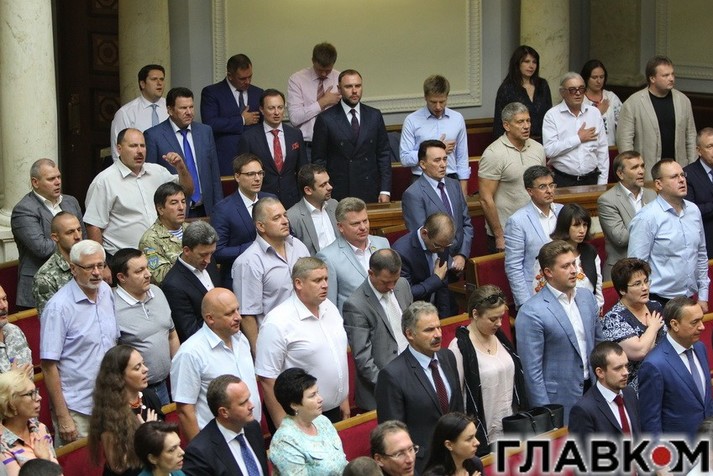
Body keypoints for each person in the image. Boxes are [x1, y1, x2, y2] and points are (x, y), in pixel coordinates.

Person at [515, 240, 604, 424]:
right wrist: (546, 414)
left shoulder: (587, 297)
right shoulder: (531, 312)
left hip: (594, 389)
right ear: (548, 272)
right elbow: (532, 372)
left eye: (574, 264)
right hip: (559, 400)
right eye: (565, 266)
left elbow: (599, 344)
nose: (573, 270)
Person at [40, 240, 119, 445]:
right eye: (89, 267)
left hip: (111, 402)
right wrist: (63, 416)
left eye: (100, 265)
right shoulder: (58, 308)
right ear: (73, 269)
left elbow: (114, 344)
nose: (97, 272)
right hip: (78, 409)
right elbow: (48, 366)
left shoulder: (106, 292)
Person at [255, 257, 349, 427]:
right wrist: (285, 426)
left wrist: (343, 399)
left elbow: (337, 356)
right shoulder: (277, 322)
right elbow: (268, 379)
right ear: (298, 283)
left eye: (326, 279)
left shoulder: (330, 307)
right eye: (317, 280)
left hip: (334, 409)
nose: (325, 285)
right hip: (300, 418)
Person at [375, 301, 463, 474]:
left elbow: (458, 409)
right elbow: (392, 434)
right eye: (429, 330)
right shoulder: (392, 375)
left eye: (438, 327)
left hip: (455, 458)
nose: (438, 335)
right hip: (422, 465)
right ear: (409, 334)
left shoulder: (448, 357)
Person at [84, 128, 193, 257]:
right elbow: (94, 226)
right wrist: (100, 262)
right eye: (133, 146)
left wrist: (180, 167)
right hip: (124, 259)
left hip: (162, 255)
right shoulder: (104, 181)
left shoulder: (158, 172)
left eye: (142, 146)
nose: (140, 151)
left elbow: (187, 190)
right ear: (119, 149)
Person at [171, 288, 260, 442]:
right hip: (218, 443)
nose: (238, 317)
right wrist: (202, 452)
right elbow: (185, 410)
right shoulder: (190, 353)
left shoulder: (241, 339)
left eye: (237, 309)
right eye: (229, 313)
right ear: (210, 318)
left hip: (252, 432)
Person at [448, 285, 527, 452]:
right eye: (493, 319)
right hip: (482, 435)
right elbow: (457, 397)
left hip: (512, 427)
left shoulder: (500, 337)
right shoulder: (459, 347)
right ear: (475, 314)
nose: (499, 323)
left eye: (501, 317)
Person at [232, 197, 310, 354]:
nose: (285, 221)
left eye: (285, 215)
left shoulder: (299, 246)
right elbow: (248, 315)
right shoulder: (248, 262)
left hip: (307, 333)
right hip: (276, 343)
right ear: (260, 226)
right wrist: (259, 353)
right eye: (276, 218)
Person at [628, 159, 709, 310]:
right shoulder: (646, 217)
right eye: (674, 177)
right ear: (658, 184)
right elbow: (636, 267)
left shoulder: (693, 210)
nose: (682, 180)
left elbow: (701, 255)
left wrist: (703, 296)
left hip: (689, 298)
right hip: (657, 301)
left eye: (682, 175)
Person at [343, 249, 413, 411]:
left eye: (395, 280)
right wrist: (391, 386)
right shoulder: (356, 305)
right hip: (380, 391)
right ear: (371, 273)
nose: (391, 287)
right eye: (385, 282)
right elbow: (363, 359)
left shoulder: (402, 285)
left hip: (411, 378)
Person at [10, 158, 84, 309]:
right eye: (51, 179)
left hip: (76, 282)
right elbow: (42, 248)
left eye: (59, 177)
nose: (58, 182)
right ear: (35, 182)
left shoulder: (71, 202)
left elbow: (84, 238)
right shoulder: (24, 210)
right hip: (39, 288)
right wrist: (71, 241)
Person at [111, 248, 180, 405]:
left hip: (167, 384)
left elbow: (172, 334)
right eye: (139, 271)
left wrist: (178, 372)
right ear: (121, 277)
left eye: (147, 267)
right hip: (136, 393)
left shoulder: (157, 292)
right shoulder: (110, 306)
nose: (148, 274)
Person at [312, 69, 392, 203]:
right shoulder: (326, 119)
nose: (354, 91)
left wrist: (385, 190)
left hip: (370, 188)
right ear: (339, 89)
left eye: (358, 86)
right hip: (338, 191)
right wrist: (324, 191)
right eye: (348, 87)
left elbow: (383, 154)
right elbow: (319, 161)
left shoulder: (374, 115)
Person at [638, 297, 713, 438]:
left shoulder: (700, 348)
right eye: (695, 322)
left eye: (702, 320)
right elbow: (650, 422)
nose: (702, 327)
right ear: (675, 324)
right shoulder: (654, 365)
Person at [144, 87, 222, 218]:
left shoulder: (205, 131)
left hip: (206, 209)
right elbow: (151, 179)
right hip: (173, 212)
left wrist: (219, 208)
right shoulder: (153, 136)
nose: (189, 112)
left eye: (191, 107)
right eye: (183, 108)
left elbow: (214, 174)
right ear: (170, 110)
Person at [479, 102, 546, 253]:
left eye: (528, 120)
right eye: (520, 122)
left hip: (536, 229)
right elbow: (485, 199)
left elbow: (543, 186)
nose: (526, 126)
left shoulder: (538, 149)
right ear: (507, 125)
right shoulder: (493, 154)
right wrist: (499, 235)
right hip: (507, 233)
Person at [617, 55, 697, 178]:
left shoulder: (683, 100)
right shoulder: (633, 103)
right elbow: (625, 142)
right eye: (665, 75)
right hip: (647, 172)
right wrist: (633, 171)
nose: (671, 78)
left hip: (679, 171)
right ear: (652, 78)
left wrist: (692, 168)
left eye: (672, 74)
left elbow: (691, 137)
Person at [88, 345, 164, 476]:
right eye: (137, 368)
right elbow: (117, 466)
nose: (145, 369)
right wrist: (145, 437)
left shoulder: (149, 397)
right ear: (119, 377)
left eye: (143, 364)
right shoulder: (109, 414)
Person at [402, 140, 473, 277]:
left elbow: (466, 223)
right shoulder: (413, 194)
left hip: (461, 260)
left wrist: (462, 255)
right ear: (423, 164)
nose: (443, 164)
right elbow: (423, 236)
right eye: (437, 160)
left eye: (445, 159)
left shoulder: (454, 185)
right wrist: (451, 262)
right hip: (435, 267)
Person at [182, 375, 268, 476]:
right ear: (224, 412)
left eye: (248, 398)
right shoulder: (200, 452)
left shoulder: (253, 428)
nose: (251, 405)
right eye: (243, 403)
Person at [212, 153, 275, 290]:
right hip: (241, 279)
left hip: (273, 275)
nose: (257, 178)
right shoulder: (223, 209)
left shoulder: (271, 200)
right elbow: (218, 252)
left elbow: (288, 232)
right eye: (251, 174)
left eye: (260, 173)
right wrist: (255, 247)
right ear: (237, 177)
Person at [601, 258, 665, 393]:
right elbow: (639, 351)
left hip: (663, 378)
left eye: (646, 281)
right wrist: (653, 327)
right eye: (637, 284)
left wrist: (647, 340)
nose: (645, 287)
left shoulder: (655, 306)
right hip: (636, 389)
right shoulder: (613, 318)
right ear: (622, 290)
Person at [268, 368, 348, 475]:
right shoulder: (285, 441)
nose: (320, 399)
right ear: (294, 405)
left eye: (317, 392)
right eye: (312, 395)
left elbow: (342, 462)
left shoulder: (322, 421)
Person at [236, 88, 307, 209]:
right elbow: (244, 173)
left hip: (292, 200)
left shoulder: (295, 134)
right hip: (262, 201)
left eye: (280, 107)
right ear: (261, 109)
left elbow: (302, 169)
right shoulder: (249, 137)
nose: (277, 112)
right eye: (271, 108)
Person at [316, 197, 390, 313]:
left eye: (365, 221)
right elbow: (329, 305)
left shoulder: (382, 243)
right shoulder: (328, 257)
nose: (363, 227)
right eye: (355, 224)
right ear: (340, 227)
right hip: (355, 321)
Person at [400, 75, 469, 196]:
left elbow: (462, 157)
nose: (438, 107)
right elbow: (405, 158)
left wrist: (463, 187)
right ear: (425, 97)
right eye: (433, 102)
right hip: (421, 179)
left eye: (442, 101)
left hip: (451, 178)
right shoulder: (412, 120)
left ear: (447, 97)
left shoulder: (457, 118)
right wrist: (437, 150)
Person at [504, 165, 563, 309]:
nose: (549, 190)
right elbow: (514, 266)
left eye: (551, 185)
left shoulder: (563, 211)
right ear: (530, 191)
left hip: (564, 287)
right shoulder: (517, 221)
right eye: (542, 187)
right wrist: (525, 303)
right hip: (536, 293)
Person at [597, 151, 656, 280]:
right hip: (621, 271)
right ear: (620, 174)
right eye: (634, 167)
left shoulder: (652, 194)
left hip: (652, 268)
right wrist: (651, 228)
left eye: (642, 166)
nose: (641, 171)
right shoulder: (607, 200)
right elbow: (621, 238)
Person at [201, 54, 264, 175]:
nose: (247, 82)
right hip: (225, 158)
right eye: (242, 78)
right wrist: (242, 120)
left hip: (254, 158)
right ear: (230, 75)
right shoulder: (212, 93)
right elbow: (210, 123)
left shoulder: (258, 93)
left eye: (250, 77)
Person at [542, 72, 609, 186]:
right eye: (572, 90)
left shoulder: (594, 113)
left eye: (581, 89)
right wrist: (578, 138)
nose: (578, 93)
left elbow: (602, 150)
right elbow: (549, 150)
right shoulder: (552, 115)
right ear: (562, 93)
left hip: (591, 179)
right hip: (563, 180)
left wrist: (602, 182)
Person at [533, 203, 604, 309]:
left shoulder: (590, 252)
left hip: (588, 310)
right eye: (576, 225)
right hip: (556, 312)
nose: (582, 230)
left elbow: (598, 291)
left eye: (585, 225)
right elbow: (538, 292)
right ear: (565, 227)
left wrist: (595, 312)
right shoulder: (549, 253)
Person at [160, 221, 220, 342]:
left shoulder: (208, 260)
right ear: (187, 250)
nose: (208, 260)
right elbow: (190, 331)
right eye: (203, 255)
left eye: (211, 253)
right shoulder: (173, 285)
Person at [569, 342, 641, 441]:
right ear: (600, 372)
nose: (625, 372)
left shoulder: (629, 393)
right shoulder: (583, 410)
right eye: (618, 368)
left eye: (626, 366)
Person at [393, 212, 455, 318]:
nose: (442, 250)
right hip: (414, 315)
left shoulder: (441, 243)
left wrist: (444, 319)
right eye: (437, 245)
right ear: (424, 233)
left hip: (436, 309)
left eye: (446, 246)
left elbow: (443, 286)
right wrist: (435, 279)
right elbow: (406, 293)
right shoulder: (401, 252)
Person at [0, 370, 57, 475]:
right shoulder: (2, 444)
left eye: (36, 391)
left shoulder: (40, 428)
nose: (39, 398)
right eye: (31, 394)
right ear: (11, 403)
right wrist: (44, 460)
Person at [287, 42, 341, 149]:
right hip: (307, 145)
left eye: (328, 70)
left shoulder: (340, 78)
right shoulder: (297, 79)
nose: (324, 74)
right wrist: (323, 102)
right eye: (320, 70)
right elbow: (295, 118)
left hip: (335, 144)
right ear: (313, 61)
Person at [493, 45, 552, 141]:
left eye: (534, 62)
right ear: (517, 63)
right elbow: (499, 123)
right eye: (526, 61)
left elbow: (550, 115)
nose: (531, 66)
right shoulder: (507, 88)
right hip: (517, 142)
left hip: (544, 141)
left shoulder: (542, 85)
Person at [111, 65, 168, 161]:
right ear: (142, 84)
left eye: (162, 79)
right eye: (154, 79)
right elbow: (118, 153)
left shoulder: (172, 108)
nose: (159, 83)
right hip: (139, 167)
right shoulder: (125, 113)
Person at [32, 212, 83, 315]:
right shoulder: (45, 277)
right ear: (55, 237)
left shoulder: (91, 264)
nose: (77, 236)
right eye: (70, 232)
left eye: (79, 230)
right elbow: (50, 319)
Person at [139, 182, 188, 285]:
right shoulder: (150, 240)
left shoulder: (192, 229)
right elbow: (160, 277)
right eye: (174, 203)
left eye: (183, 202)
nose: (181, 207)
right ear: (160, 209)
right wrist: (190, 260)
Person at [286, 163, 338, 256]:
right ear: (308, 190)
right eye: (323, 185)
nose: (330, 187)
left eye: (328, 182)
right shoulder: (292, 217)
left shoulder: (334, 205)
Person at [685, 127, 713, 259]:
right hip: (705, 243)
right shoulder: (687, 175)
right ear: (699, 150)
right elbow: (689, 211)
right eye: (710, 146)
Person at [581, 59, 622, 147]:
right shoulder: (580, 99)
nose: (599, 81)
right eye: (594, 77)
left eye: (601, 77)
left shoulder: (611, 97)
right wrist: (598, 112)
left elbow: (623, 123)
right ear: (586, 78)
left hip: (610, 148)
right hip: (587, 148)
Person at [0, 285, 32, 376]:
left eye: (4, 299)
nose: (4, 306)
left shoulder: (14, 331)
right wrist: (14, 379)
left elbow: (29, 375)